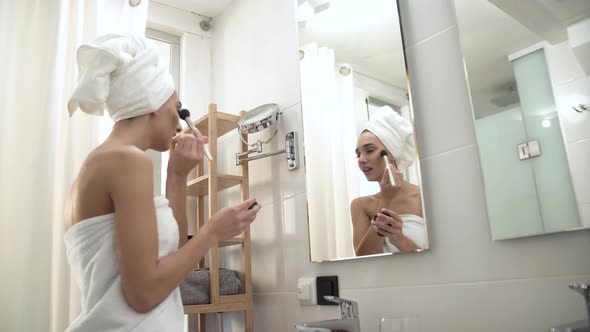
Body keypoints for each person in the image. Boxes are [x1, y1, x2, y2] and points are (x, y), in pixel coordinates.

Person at [63, 34, 261, 331]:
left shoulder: (107, 161)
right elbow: (143, 294)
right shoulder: (126, 160)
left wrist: (177, 175)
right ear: (152, 103)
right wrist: (211, 233)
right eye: (176, 105)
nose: (180, 123)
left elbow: (171, 256)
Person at [351, 106, 426, 256]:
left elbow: (437, 260)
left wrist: (398, 238)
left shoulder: (423, 198)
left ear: (391, 154)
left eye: (369, 150)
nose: (361, 160)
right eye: (358, 154)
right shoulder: (361, 205)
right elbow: (363, 258)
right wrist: (387, 200)